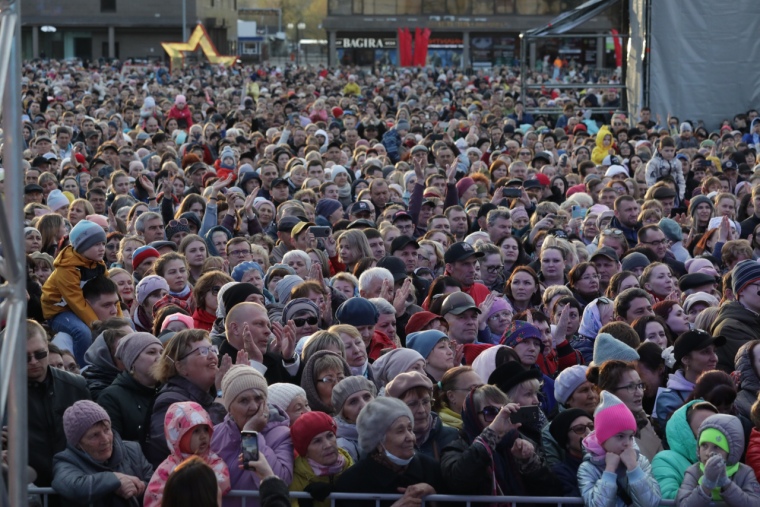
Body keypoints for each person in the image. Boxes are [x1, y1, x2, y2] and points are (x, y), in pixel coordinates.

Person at [440, 384, 561, 497]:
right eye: (491, 412)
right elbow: (457, 481)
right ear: (472, 417)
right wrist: (492, 434)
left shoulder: (520, 441)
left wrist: (529, 462)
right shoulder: (458, 445)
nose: (500, 419)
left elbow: (552, 491)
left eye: (504, 412)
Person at [334, 397, 443, 507]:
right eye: (400, 431)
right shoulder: (353, 482)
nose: (410, 437)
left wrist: (433, 496)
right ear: (378, 442)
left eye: (410, 429)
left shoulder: (431, 469)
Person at [211, 364, 295, 507]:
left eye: (258, 399)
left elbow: (279, 481)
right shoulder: (214, 434)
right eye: (244, 401)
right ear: (229, 408)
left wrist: (250, 434)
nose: (254, 407)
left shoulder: (282, 434)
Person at [145, 330, 227, 466]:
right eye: (202, 351)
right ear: (181, 367)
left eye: (212, 349)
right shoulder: (169, 402)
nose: (212, 356)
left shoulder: (212, 392)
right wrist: (221, 399)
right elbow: (189, 448)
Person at [42, 219, 118, 365]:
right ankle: (85, 369)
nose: (102, 248)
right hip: (58, 312)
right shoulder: (67, 269)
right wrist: (97, 325)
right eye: (96, 244)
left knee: (124, 324)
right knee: (82, 332)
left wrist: (119, 322)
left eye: (103, 243)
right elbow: (76, 302)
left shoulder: (98, 264)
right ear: (82, 247)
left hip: (80, 307)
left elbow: (111, 292)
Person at [27, 319, 91, 488]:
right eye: (25, 357)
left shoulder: (76, 385)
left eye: (39, 354)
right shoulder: (4, 391)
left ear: (48, 349)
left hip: (74, 482)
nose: (33, 361)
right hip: (27, 487)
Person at [52, 400, 153, 507]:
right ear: (77, 443)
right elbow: (73, 487)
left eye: (106, 430)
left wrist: (138, 488)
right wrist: (115, 480)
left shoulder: (132, 450)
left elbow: (154, 483)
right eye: (95, 435)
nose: (105, 439)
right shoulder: (66, 461)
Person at [577, 391, 662, 507]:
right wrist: (609, 470)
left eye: (631, 436)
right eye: (620, 436)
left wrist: (633, 468)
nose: (627, 443)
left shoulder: (640, 461)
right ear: (603, 437)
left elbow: (651, 503)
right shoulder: (588, 468)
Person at [144, 401, 231, 507]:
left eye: (206, 429)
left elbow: (223, 480)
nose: (203, 436)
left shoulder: (211, 460)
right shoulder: (168, 468)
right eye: (196, 431)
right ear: (179, 436)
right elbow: (153, 497)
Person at [676, 414, 760, 506]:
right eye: (704, 445)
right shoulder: (694, 472)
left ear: (731, 451)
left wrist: (726, 483)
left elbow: (755, 504)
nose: (708, 452)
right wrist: (706, 484)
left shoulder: (744, 473)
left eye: (717, 447)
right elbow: (683, 504)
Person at [654, 330, 725, 431]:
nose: (714, 358)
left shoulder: (721, 385)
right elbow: (677, 438)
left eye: (714, 351)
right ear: (686, 359)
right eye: (705, 352)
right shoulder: (669, 399)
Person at [98, 332, 162, 443]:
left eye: (162, 352)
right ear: (132, 361)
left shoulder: (168, 389)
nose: (159, 358)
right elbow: (114, 445)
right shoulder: (111, 398)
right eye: (151, 352)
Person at [651, 400, 720, 499]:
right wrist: (708, 486)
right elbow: (667, 499)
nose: (712, 434)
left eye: (717, 428)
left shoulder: (726, 457)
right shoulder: (665, 460)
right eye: (705, 429)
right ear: (685, 432)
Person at [385, 371, 457, 460]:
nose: (422, 410)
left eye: (426, 402)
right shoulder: (389, 444)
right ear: (396, 408)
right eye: (412, 404)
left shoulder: (451, 436)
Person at [289, 411, 353, 507]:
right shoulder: (296, 477)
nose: (328, 445)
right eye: (317, 441)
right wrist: (302, 503)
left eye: (330, 435)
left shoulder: (350, 467)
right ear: (305, 452)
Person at [331, 376, 377, 462]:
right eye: (353, 402)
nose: (364, 405)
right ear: (344, 414)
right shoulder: (344, 447)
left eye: (367, 397)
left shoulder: (388, 425)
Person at [549, 408, 594, 496]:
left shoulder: (612, 461)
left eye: (592, 426)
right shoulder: (561, 473)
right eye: (580, 429)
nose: (589, 433)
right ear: (566, 441)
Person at [431, 366, 483, 430]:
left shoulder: (484, 418)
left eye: (482, 387)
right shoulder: (444, 429)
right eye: (473, 389)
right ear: (451, 396)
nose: (482, 393)